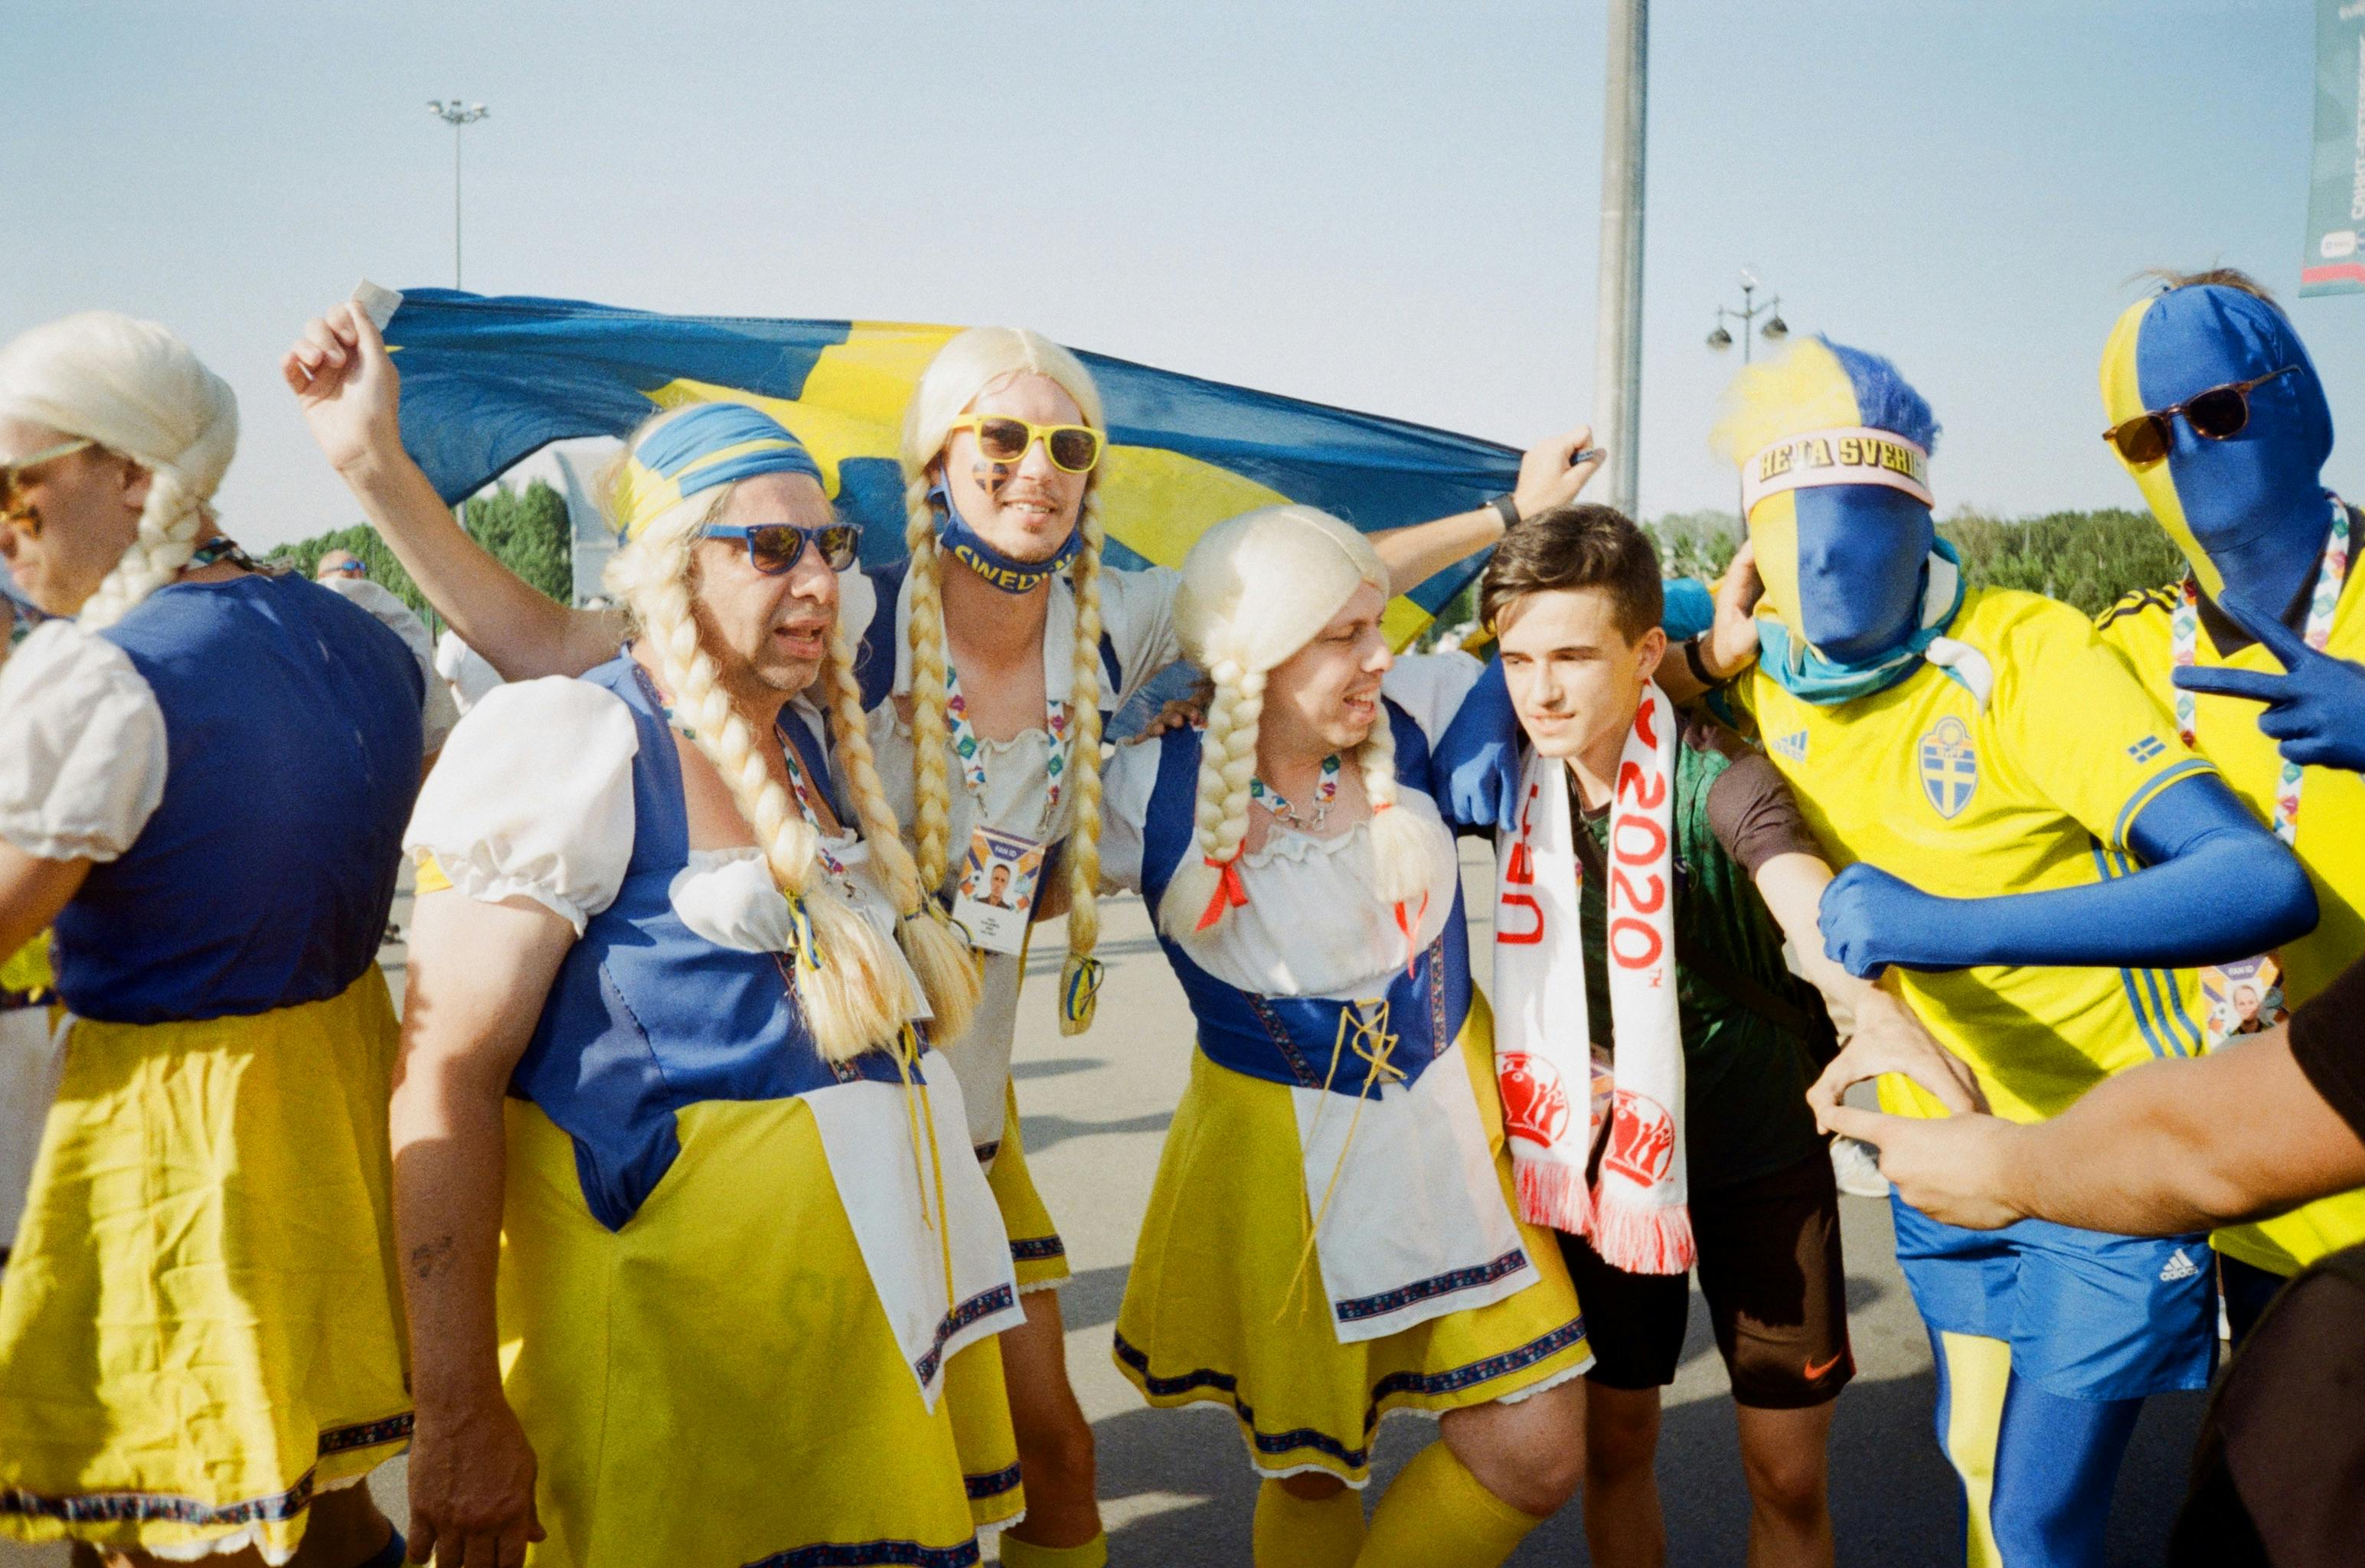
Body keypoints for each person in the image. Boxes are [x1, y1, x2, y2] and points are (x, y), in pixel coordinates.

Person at [282, 299, 1603, 1568]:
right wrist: (378, 470)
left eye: (1067, 445)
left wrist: (1505, 514)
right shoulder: (847, 626)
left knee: (1034, 1470)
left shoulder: (1114, 633)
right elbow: (564, 643)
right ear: (932, 459)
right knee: (971, 1474)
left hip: (954, 1121)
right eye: (1001, 439)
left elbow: (1303, 586)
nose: (1037, 469)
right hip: (827, 1155)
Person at [1447, 334, 2317, 1567]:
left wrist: (1914, 952)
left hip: (2105, 1130)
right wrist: (1550, 543)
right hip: (1922, 1149)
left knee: (2062, 1508)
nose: (1825, 587)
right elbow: (1557, 638)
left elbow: (2251, 880)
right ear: (1753, 561)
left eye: (1856, 535)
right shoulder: (1754, 665)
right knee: (1971, 1459)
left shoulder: (2015, 656)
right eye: (1794, 552)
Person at [390, 403, 1023, 1567]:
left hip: (856, 1359)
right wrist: (457, 1409)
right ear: (673, 571)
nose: (819, 581)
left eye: (826, 547)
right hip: (677, 1384)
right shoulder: (572, 742)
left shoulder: (811, 748)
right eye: (768, 548)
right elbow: (443, 1081)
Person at [1435, 503, 1975, 1568]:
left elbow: (1802, 897)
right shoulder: (1504, 761)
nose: (1541, 689)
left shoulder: (1719, 773)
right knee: (1616, 1444)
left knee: (1785, 1475)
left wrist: (1867, 1003)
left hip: (1756, 1162)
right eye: (1518, 657)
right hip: (1599, 1164)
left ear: (1645, 654)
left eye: (1574, 657)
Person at [0, 312, 425, 1566]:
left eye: (18, 479)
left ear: (133, 473)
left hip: (180, 1139)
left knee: (169, 1521)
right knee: (327, 1497)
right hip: (341, 1098)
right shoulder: (369, 631)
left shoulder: (100, 678)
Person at [1096, 505, 1592, 1568]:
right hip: (1275, 1163)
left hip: (1456, 1140)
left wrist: (1511, 518)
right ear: (1258, 654)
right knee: (1314, 1459)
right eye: (1342, 635)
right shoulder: (1144, 789)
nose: (1380, 654)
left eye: (1376, 627)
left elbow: (1588, 678)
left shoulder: (1425, 707)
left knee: (1537, 1450)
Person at [2085, 268, 2365, 1340]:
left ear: (2296, 398)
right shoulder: (2115, 648)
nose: (2188, 452)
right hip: (2245, 1183)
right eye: (2146, 439)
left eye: (2215, 410)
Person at [313, 549, 459, 760]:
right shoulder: (309, 625)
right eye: (348, 568)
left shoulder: (389, 627)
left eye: (360, 567)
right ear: (322, 577)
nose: (357, 574)